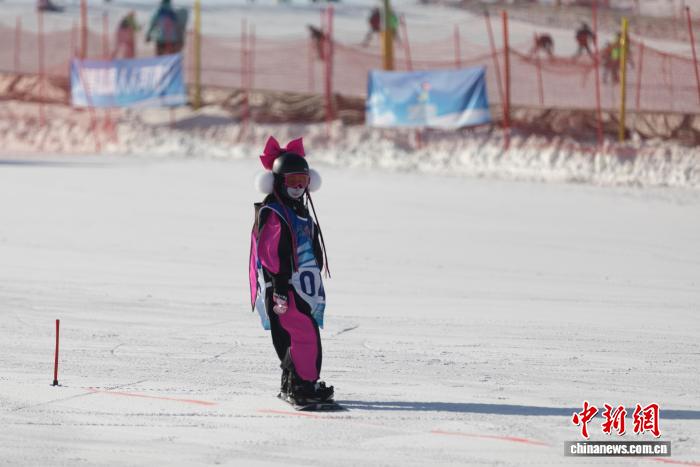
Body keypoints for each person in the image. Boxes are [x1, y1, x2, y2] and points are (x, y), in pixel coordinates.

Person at [250, 136, 333, 405]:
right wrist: (280, 285)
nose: (298, 188)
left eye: (303, 181)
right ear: (277, 182)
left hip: (301, 286)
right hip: (285, 286)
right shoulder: (276, 213)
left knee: (302, 333)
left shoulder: (299, 211)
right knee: (302, 333)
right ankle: (301, 385)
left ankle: (298, 380)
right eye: (292, 181)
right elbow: (272, 253)